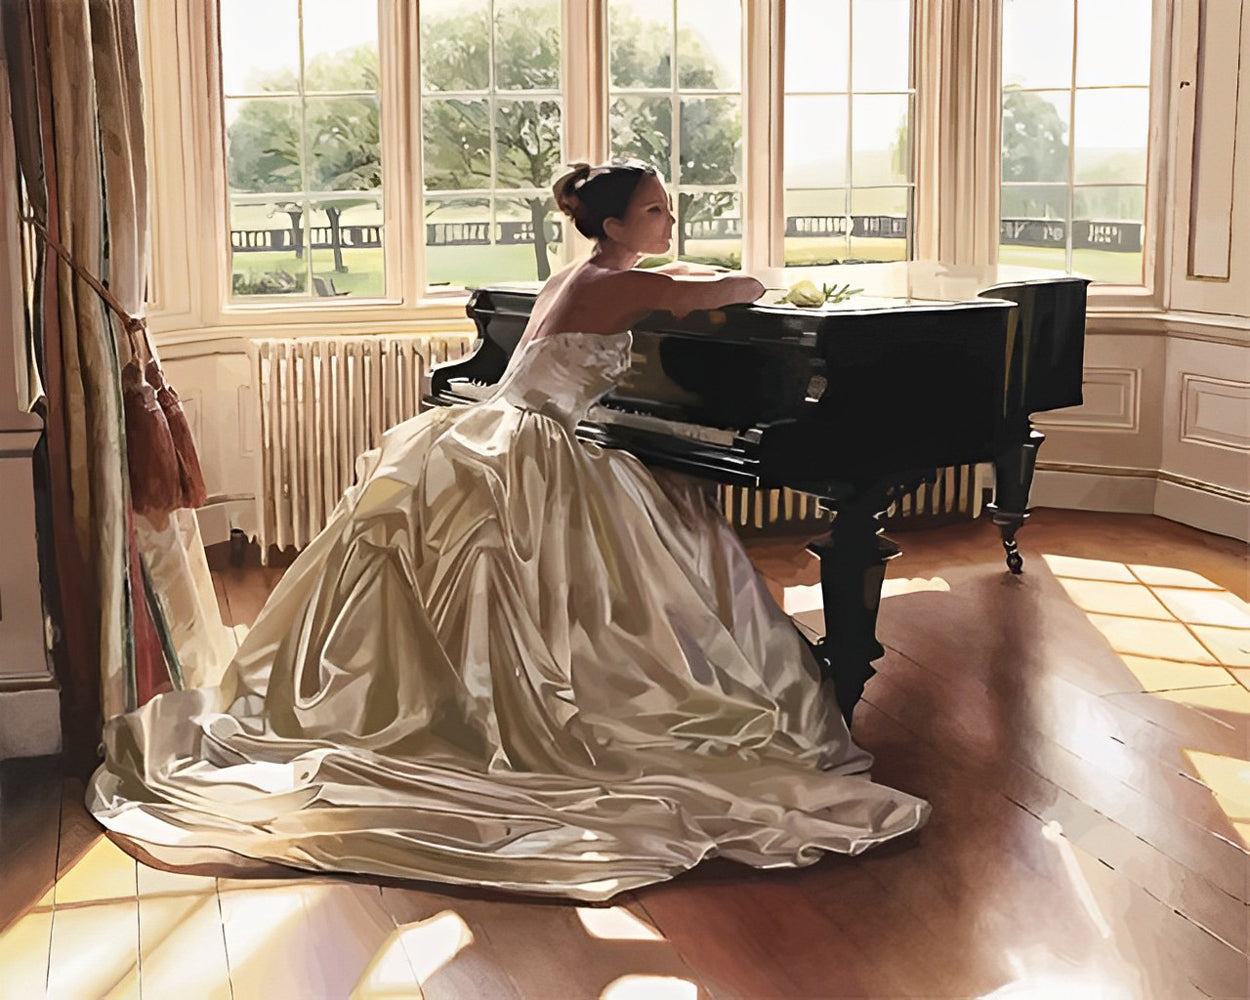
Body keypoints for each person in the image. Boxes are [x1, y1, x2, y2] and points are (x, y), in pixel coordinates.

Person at [88, 159, 928, 902]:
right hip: (537, 443)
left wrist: (677, 261)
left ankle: (466, 699)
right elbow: (720, 292)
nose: (669, 221)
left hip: (496, 427)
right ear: (612, 225)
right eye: (655, 212)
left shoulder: (587, 272)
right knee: (654, 551)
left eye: (667, 210)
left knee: (552, 570)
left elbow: (667, 276)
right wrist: (757, 278)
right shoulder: (623, 285)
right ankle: (567, 711)